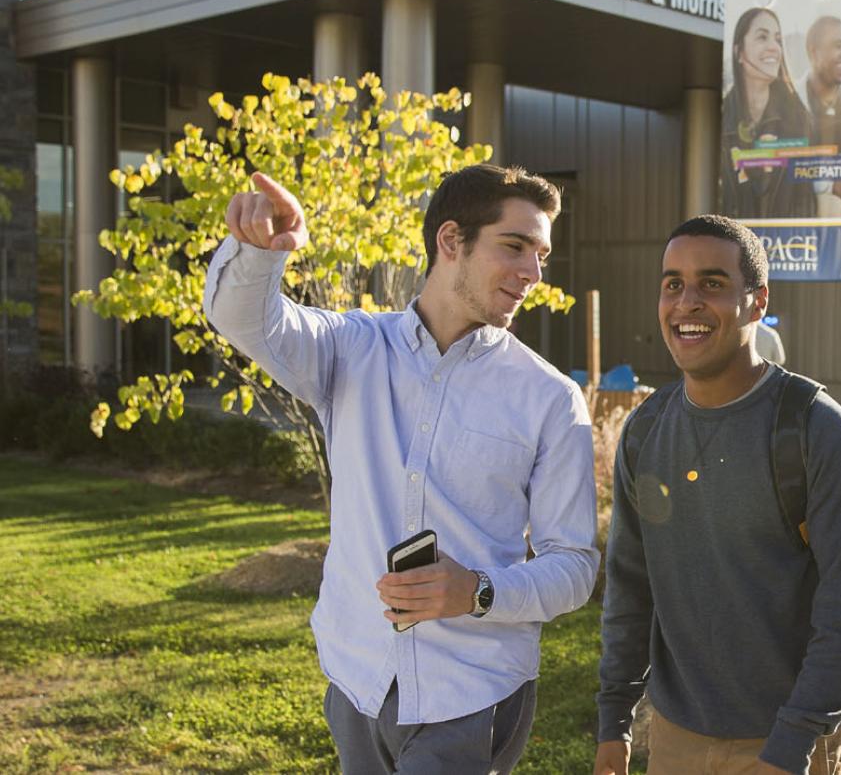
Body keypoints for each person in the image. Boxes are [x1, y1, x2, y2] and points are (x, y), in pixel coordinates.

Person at [205, 165, 598, 774]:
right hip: (357, 677)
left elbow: (573, 566)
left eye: (541, 254)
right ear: (450, 241)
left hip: (470, 693)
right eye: (515, 246)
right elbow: (246, 321)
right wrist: (260, 254)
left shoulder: (549, 398)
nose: (534, 273)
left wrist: (478, 590)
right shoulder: (349, 349)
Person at [594, 214, 841, 775]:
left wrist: (792, 745)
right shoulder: (645, 430)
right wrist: (615, 719)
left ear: (756, 301)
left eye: (712, 283)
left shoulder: (817, 430)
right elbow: (631, 587)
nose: (687, 302)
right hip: (677, 736)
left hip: (790, 742)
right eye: (673, 283)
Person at [721, 7, 817, 219]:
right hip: (739, 244)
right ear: (738, 52)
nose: (774, 47)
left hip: (788, 244)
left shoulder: (798, 118)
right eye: (762, 37)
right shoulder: (724, 117)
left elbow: (804, 198)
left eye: (778, 39)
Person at [801, 15, 841, 218]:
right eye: (838, 45)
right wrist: (832, 183)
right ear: (814, 51)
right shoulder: (788, 100)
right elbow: (783, 167)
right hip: (797, 224)